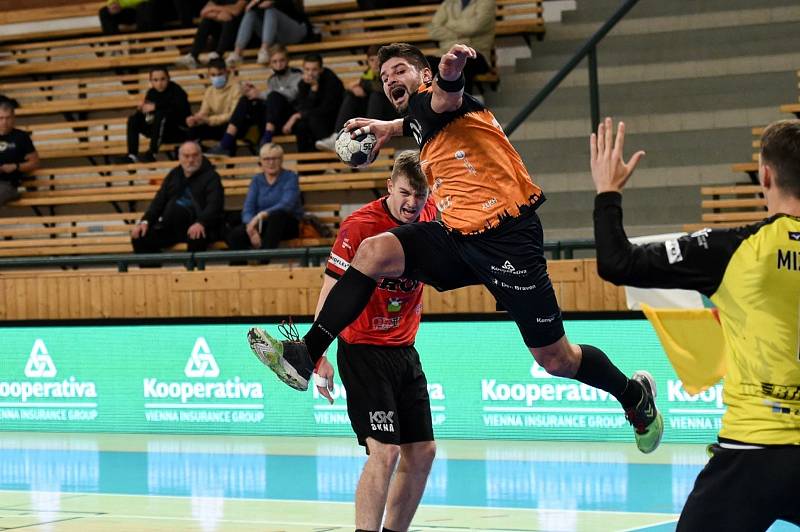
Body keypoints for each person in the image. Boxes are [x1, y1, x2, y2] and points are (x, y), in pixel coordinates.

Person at [247, 42, 664, 455]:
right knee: (374, 253)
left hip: (509, 242)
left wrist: (451, 69)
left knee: (556, 360)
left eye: (400, 70)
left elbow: (446, 97)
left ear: (423, 76)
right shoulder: (418, 118)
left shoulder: (438, 99)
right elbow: (418, 119)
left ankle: (633, 396)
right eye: (385, 75)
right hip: (459, 238)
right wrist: (385, 127)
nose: (390, 79)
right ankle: (307, 352)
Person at [590, 117, 800, 529]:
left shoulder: (736, 249)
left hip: (752, 452)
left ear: (765, 175)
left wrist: (608, 192)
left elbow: (617, 262)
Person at [252, 150, 439, 531]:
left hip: (405, 350)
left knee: (422, 453)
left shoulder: (431, 215)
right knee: (384, 452)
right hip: (363, 351)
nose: (412, 203)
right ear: (390, 185)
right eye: (405, 193)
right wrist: (318, 354)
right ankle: (300, 354)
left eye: (419, 196)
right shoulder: (360, 225)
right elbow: (332, 287)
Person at [208, 44, 302, 156]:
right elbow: (269, 103)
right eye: (275, 62)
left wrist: (261, 94)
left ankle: (266, 140)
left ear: (287, 61)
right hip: (273, 119)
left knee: (274, 96)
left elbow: (292, 94)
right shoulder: (272, 80)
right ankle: (226, 142)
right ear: (270, 63)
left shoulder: (297, 75)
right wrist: (253, 92)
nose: (279, 65)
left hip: (288, 120)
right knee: (246, 99)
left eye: (282, 60)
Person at [131, 141, 224, 253]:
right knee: (140, 237)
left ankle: (193, 270)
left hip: (199, 226)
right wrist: (145, 222)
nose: (190, 160)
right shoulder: (174, 175)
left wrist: (201, 222)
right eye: (186, 156)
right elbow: (158, 202)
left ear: (201, 156)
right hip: (171, 228)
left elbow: (214, 205)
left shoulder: (211, 177)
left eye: (195, 155)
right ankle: (153, 270)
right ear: (179, 158)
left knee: (197, 235)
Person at [315, 45, 398, 152]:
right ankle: (337, 135)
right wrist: (353, 88)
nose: (375, 63)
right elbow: (363, 86)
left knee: (375, 96)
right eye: (372, 60)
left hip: (391, 114)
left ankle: (369, 136)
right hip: (373, 115)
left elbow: (381, 89)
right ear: (367, 62)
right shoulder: (367, 75)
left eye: (379, 60)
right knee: (351, 95)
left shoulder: (392, 74)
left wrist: (362, 84)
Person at [225, 142, 303, 250]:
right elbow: (248, 208)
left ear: (281, 160)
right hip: (261, 224)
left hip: (287, 224)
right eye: (266, 159)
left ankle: (263, 260)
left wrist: (262, 215)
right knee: (235, 234)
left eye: (275, 158)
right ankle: (240, 265)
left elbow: (287, 204)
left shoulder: (290, 177)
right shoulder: (257, 180)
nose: (271, 162)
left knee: (277, 216)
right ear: (261, 162)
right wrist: (251, 228)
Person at [117, 67, 191, 164]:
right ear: (151, 81)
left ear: (168, 78)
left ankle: (152, 153)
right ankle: (132, 155)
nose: (159, 83)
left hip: (178, 130)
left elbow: (179, 110)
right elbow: (149, 117)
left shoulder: (177, 91)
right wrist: (142, 111)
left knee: (161, 115)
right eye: (155, 80)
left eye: (163, 79)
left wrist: (156, 106)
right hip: (158, 131)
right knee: (134, 119)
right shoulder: (151, 93)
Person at [427, 0, 494, 95]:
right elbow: (432, 31)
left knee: (461, 64)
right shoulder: (448, 3)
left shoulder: (487, 2)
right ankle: (433, 106)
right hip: (445, 53)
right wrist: (461, 33)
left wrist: (448, 24)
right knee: (426, 63)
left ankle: (462, 107)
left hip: (475, 54)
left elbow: (473, 27)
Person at [283, 53, 344, 152]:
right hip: (314, 120)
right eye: (307, 69)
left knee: (311, 120)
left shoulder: (331, 80)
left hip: (333, 120)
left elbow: (328, 108)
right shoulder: (303, 83)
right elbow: (303, 107)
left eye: (314, 69)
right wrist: (313, 90)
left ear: (321, 69)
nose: (310, 73)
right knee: (301, 126)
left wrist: (297, 116)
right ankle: (304, 162)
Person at [226, 0, 310, 66]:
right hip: (274, 35)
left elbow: (288, 7)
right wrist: (253, 4)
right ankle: (237, 53)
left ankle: (264, 49)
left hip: (296, 30)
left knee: (270, 10)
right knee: (250, 13)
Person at [175, 0, 247, 69]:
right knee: (207, 20)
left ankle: (218, 53)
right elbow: (203, 12)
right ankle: (193, 55)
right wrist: (218, 15)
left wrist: (214, 9)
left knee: (229, 21)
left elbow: (236, 10)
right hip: (221, 34)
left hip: (238, 36)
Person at [185, 58, 242, 144]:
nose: (216, 77)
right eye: (213, 75)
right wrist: (196, 119)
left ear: (226, 72)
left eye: (220, 74)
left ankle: (225, 152)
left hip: (231, 125)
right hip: (215, 124)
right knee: (193, 129)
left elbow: (233, 115)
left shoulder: (236, 88)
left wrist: (209, 120)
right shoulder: (209, 91)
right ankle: (194, 153)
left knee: (228, 127)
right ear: (209, 75)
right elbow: (204, 111)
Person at [0, 98, 39, 207]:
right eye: (1, 118)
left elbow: (34, 162)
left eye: (7, 118)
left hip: (9, 185)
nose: (4, 122)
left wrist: (15, 166)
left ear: (13, 119)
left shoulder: (21, 137)